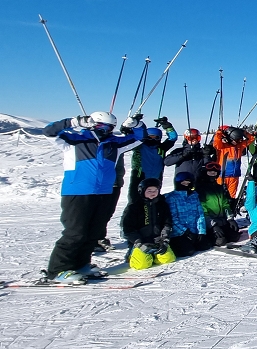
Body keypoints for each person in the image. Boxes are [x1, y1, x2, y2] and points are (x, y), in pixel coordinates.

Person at [41, 111, 145, 283]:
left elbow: (139, 138)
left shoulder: (114, 144)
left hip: (103, 193)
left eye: (109, 128)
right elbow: (49, 131)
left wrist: (136, 125)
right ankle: (57, 270)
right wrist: (74, 121)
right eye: (101, 126)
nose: (105, 131)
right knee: (76, 232)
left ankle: (81, 264)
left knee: (93, 232)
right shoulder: (75, 140)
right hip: (78, 192)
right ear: (92, 124)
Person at [120, 177, 176, 270]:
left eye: (155, 190)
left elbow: (167, 224)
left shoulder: (162, 205)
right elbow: (127, 229)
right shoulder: (134, 207)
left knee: (168, 258)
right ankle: (132, 254)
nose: (153, 193)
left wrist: (165, 240)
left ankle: (153, 255)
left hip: (157, 240)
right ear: (142, 191)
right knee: (141, 265)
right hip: (141, 241)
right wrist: (139, 243)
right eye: (149, 191)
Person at [127, 118, 177, 205]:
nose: (153, 139)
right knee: (135, 201)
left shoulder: (161, 148)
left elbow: (173, 138)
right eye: (150, 137)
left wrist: (167, 126)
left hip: (156, 178)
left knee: (154, 200)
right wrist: (133, 124)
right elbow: (130, 136)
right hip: (139, 177)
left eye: (156, 137)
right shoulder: (139, 147)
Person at [164, 170, 209, 257]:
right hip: (179, 233)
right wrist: (186, 232)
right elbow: (173, 219)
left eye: (188, 183)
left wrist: (201, 232)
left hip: (193, 231)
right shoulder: (171, 197)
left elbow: (200, 215)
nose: (186, 185)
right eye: (183, 183)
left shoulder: (194, 196)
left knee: (204, 245)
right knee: (188, 251)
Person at [196, 161, 240, 246]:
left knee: (235, 237)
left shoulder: (219, 187)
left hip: (221, 221)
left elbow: (225, 204)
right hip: (209, 223)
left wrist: (230, 219)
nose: (213, 173)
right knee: (221, 241)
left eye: (215, 172)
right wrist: (213, 226)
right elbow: (202, 210)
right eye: (210, 172)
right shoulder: (200, 189)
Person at [212, 125, 254, 199]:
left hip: (234, 176)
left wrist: (243, 132)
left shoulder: (239, 146)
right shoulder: (222, 146)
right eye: (236, 140)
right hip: (222, 176)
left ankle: (231, 205)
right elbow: (216, 141)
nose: (237, 142)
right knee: (220, 196)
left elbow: (251, 138)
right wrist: (220, 132)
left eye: (239, 140)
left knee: (232, 196)